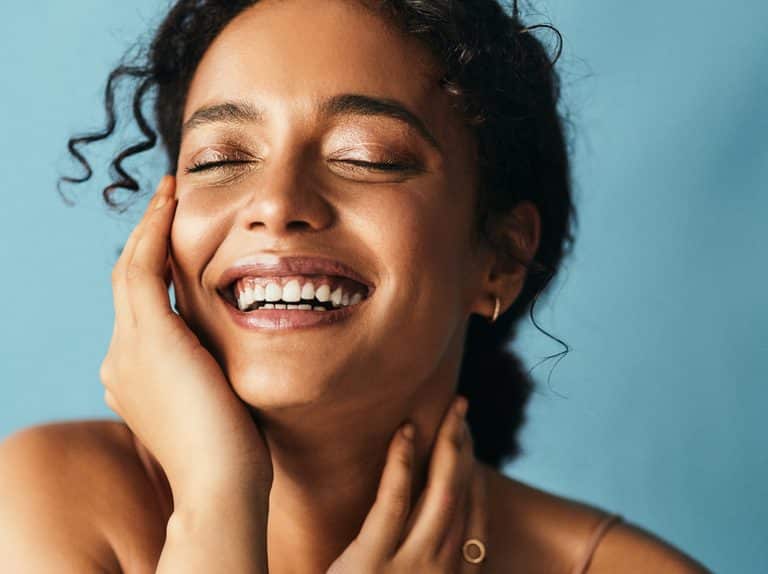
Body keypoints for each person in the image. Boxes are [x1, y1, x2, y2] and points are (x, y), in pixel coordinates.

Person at [0, 0, 711, 572]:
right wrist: (218, 501)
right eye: (221, 158)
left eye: (364, 156)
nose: (276, 203)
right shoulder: (46, 500)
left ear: (499, 255)